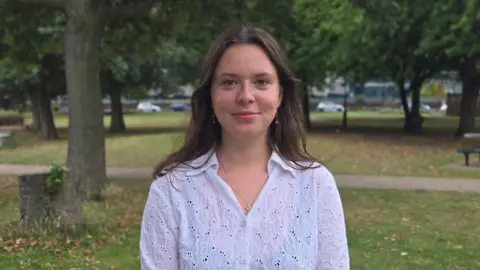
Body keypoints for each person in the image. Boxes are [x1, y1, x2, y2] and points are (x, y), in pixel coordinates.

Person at [139, 25, 350, 269]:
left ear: (280, 95)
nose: (246, 96)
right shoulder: (170, 191)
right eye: (229, 82)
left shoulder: (316, 185)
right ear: (211, 95)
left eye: (261, 82)